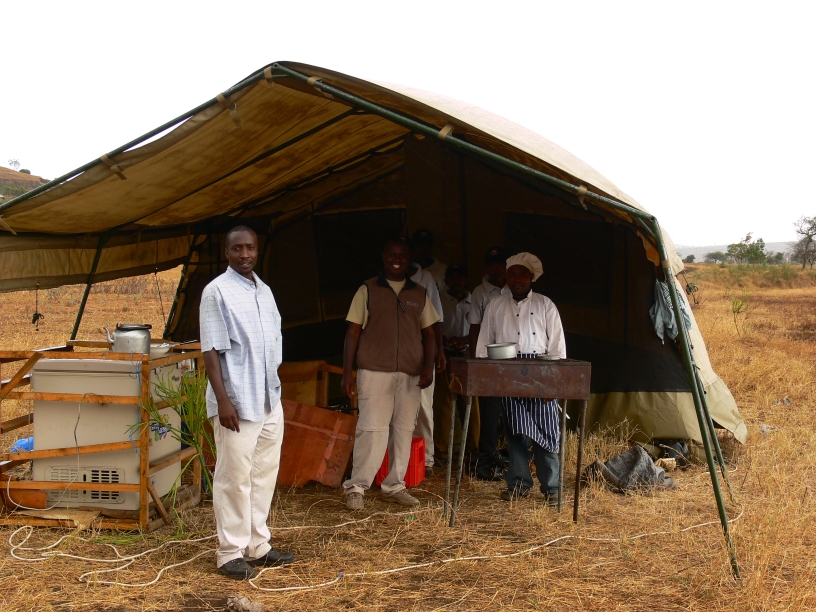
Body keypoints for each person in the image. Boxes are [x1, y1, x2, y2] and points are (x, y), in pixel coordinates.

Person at [199, 226, 294, 580]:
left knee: (263, 474)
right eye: (237, 248)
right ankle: (230, 552)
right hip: (237, 402)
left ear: (257, 250)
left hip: (268, 399)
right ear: (226, 253)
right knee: (234, 478)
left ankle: (257, 545)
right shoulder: (216, 291)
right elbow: (210, 350)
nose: (244, 254)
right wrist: (223, 401)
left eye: (250, 248)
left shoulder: (264, 291)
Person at [341, 238, 439, 510]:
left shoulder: (418, 293)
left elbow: (430, 334)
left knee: (404, 430)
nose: (397, 260)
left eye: (402, 256)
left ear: (409, 260)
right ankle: (356, 488)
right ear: (384, 257)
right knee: (371, 429)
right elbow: (352, 332)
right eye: (392, 255)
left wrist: (428, 367)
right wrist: (347, 373)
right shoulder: (368, 289)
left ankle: (394, 485)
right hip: (374, 370)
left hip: (410, 373)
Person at [475, 252, 567, 502]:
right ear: (506, 277)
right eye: (513, 274)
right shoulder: (495, 305)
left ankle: (552, 488)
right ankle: (519, 484)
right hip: (508, 373)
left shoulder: (545, 304)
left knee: (546, 431)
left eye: (523, 274)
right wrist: (486, 377)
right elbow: (484, 343)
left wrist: (553, 384)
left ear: (531, 277)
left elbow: (558, 346)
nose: (517, 279)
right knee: (515, 432)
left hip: (541, 373)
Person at [467, 246, 509, 481]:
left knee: (513, 410)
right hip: (489, 360)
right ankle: (486, 459)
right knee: (490, 411)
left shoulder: (514, 289)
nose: (496, 268)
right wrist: (476, 361)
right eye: (492, 264)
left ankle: (511, 457)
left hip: (513, 360)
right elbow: (474, 327)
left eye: (500, 264)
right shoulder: (480, 292)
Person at [433, 264, 480, 465]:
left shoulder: (474, 301)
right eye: (452, 278)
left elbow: (479, 329)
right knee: (443, 403)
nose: (456, 281)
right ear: (446, 281)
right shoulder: (439, 300)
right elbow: (433, 326)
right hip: (444, 353)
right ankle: (442, 452)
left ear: (466, 280)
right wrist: (444, 341)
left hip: (466, 354)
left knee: (469, 402)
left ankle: (472, 451)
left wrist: (464, 340)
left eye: (460, 277)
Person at [409, 252, 446, 475]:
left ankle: (426, 459)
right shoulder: (382, 281)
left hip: (423, 350)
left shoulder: (426, 280)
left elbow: (437, 319)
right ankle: (401, 458)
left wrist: (439, 350)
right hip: (396, 355)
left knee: (423, 406)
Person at [411, 229, 447, 293]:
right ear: (413, 246)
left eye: (426, 245)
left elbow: (445, 296)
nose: (423, 249)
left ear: (431, 247)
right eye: (419, 245)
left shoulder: (442, 269)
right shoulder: (406, 267)